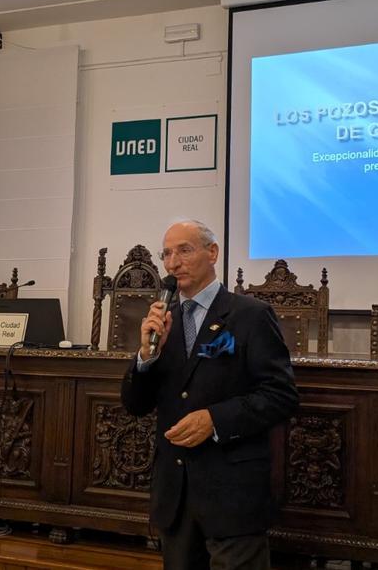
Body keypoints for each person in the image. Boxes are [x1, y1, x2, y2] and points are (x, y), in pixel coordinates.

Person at [121, 220, 299, 570]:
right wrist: (145, 357)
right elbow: (135, 405)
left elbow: (281, 395)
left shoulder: (250, 315)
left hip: (232, 495)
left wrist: (215, 419)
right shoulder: (163, 322)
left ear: (212, 252)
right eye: (167, 254)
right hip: (176, 496)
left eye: (184, 250)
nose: (173, 263)